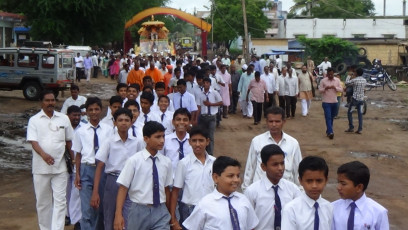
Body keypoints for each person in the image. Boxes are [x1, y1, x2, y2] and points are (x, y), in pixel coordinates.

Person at [27, 90, 74, 230]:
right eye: (47, 100)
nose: (50, 103)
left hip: (60, 168)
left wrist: (73, 161)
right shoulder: (34, 120)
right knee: (43, 202)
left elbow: (69, 141)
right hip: (40, 169)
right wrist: (44, 155)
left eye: (52, 100)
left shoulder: (63, 119)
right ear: (41, 102)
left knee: (60, 202)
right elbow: (33, 142)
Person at [90, 108, 144, 230]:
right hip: (113, 181)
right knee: (110, 215)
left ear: (132, 122)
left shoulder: (137, 143)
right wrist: (95, 192)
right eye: (120, 120)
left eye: (127, 120)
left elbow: (142, 164)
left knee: (129, 216)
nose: (123, 123)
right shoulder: (109, 142)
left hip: (131, 182)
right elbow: (99, 166)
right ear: (115, 123)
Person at [114, 121, 173, 230]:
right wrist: (118, 214)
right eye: (158, 137)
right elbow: (123, 188)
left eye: (163, 136)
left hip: (161, 210)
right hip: (138, 210)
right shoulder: (134, 161)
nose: (162, 140)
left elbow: (166, 189)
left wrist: (170, 213)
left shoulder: (166, 162)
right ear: (146, 139)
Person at [182, 156, 259, 230]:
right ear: (216, 178)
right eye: (231, 176)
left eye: (238, 176)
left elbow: (251, 226)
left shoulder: (243, 200)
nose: (236, 180)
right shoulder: (205, 204)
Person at [242, 106, 302, 191]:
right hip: (261, 191)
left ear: (283, 122)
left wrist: (300, 191)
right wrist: (246, 189)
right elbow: (250, 167)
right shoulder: (257, 141)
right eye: (271, 121)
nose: (274, 125)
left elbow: (298, 170)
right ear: (266, 122)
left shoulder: (293, 143)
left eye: (277, 121)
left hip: (286, 192)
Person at [72, 97, 111, 230]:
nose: (94, 112)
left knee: (99, 206)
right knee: (87, 207)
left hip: (103, 170)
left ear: (101, 110)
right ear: (86, 112)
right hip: (86, 169)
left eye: (96, 109)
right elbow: (78, 154)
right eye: (90, 110)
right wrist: (77, 174)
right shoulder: (80, 131)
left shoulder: (109, 130)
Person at [244, 144, 302, 230]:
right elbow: (247, 221)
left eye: (282, 163)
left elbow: (299, 217)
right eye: (275, 165)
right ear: (263, 167)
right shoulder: (252, 191)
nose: (280, 168)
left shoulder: (293, 190)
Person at [170, 126, 216, 230]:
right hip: (190, 209)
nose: (197, 144)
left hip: (211, 208)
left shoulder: (214, 163)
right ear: (189, 142)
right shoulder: (184, 163)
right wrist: (173, 219)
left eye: (201, 140)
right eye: (194, 140)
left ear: (207, 141)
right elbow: (175, 191)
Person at [332, 161, 389, 230]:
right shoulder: (332, 208)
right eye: (338, 182)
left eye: (343, 184)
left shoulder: (379, 212)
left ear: (359, 187)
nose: (338, 187)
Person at [281, 156, 333, 230]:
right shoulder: (291, 209)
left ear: (326, 180)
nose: (314, 186)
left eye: (319, 181)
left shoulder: (329, 208)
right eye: (309, 181)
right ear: (300, 181)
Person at [160, 108, 193, 176]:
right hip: (170, 180)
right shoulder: (165, 140)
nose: (181, 122)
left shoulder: (194, 140)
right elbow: (160, 160)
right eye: (178, 119)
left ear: (190, 122)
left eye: (185, 120)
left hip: (189, 179)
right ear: (173, 122)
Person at [197, 77, 223, 155]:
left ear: (210, 84)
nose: (205, 84)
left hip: (212, 117)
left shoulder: (214, 93)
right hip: (203, 117)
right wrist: (196, 118)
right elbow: (199, 106)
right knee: (202, 135)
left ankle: (210, 153)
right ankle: (203, 152)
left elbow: (221, 102)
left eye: (207, 83)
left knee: (210, 136)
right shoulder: (200, 94)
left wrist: (211, 104)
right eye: (204, 83)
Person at [66, 105, 83, 230]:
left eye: (78, 115)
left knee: (77, 193)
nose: (76, 117)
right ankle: (67, 215)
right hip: (65, 165)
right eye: (74, 115)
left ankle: (77, 220)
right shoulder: (64, 128)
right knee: (66, 192)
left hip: (78, 165)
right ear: (68, 116)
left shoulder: (84, 128)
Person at [319, 68, 343, 139]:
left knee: (331, 117)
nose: (330, 75)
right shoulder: (323, 80)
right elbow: (320, 90)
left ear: (333, 74)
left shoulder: (337, 80)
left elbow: (341, 89)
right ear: (327, 74)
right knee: (328, 117)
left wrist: (335, 87)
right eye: (329, 74)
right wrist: (325, 88)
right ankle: (330, 132)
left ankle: (328, 130)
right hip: (326, 102)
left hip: (334, 102)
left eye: (331, 74)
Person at [345, 68, 367, 134]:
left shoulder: (355, 80)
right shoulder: (364, 80)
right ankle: (360, 129)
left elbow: (346, 83)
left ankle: (351, 127)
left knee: (350, 112)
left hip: (355, 100)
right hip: (361, 100)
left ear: (356, 73)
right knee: (360, 114)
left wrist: (349, 76)